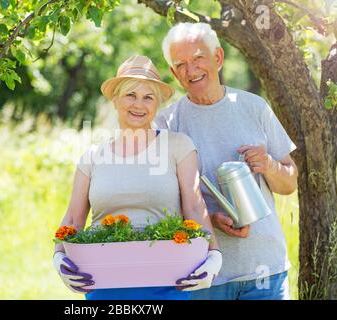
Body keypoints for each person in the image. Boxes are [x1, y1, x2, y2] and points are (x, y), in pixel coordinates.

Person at [53, 55, 222, 300]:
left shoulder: (177, 146)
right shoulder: (93, 156)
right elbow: (72, 218)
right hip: (104, 284)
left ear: (157, 104)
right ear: (115, 100)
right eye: (130, 95)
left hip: (169, 281)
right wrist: (59, 257)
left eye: (148, 97)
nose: (139, 105)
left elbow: (195, 206)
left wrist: (213, 254)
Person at [155, 23, 298, 300]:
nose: (191, 70)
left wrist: (268, 164)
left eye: (198, 58)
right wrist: (210, 220)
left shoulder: (254, 107)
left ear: (217, 58)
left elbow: (289, 182)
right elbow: (163, 204)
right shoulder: (167, 124)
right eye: (181, 64)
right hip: (204, 273)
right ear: (173, 72)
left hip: (265, 270)